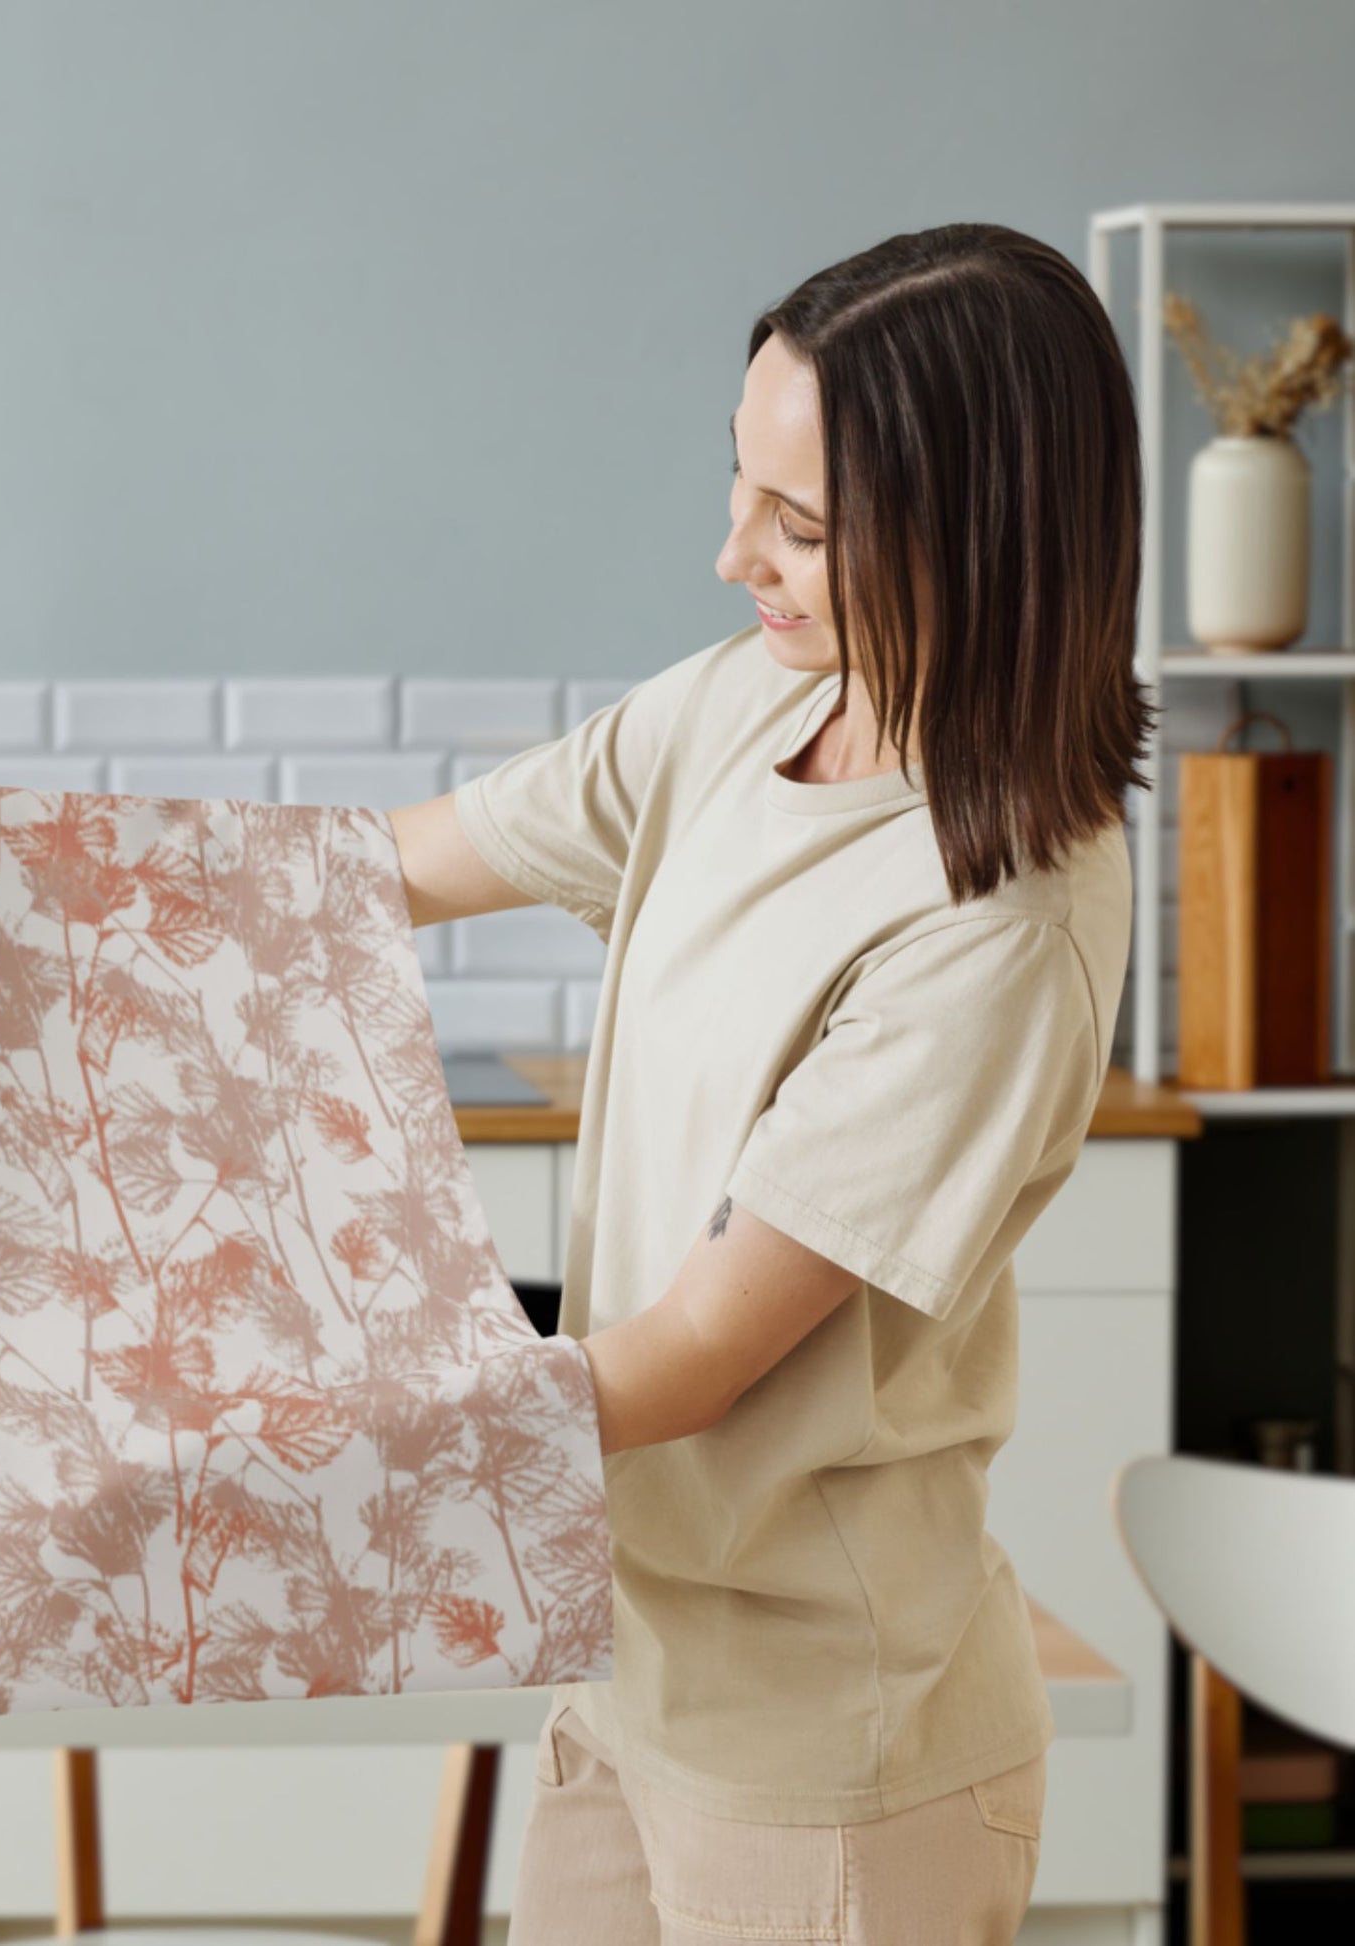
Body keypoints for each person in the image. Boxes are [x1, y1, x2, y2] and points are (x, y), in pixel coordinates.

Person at [388, 221, 1155, 1945]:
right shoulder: (745, 704)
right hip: (629, 1665)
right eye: (742, 484)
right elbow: (396, 867)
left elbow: (693, 1361)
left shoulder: (1000, 919)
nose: (732, 549)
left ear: (985, 536)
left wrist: (306, 1420)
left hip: (830, 1760)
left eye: (801, 526)